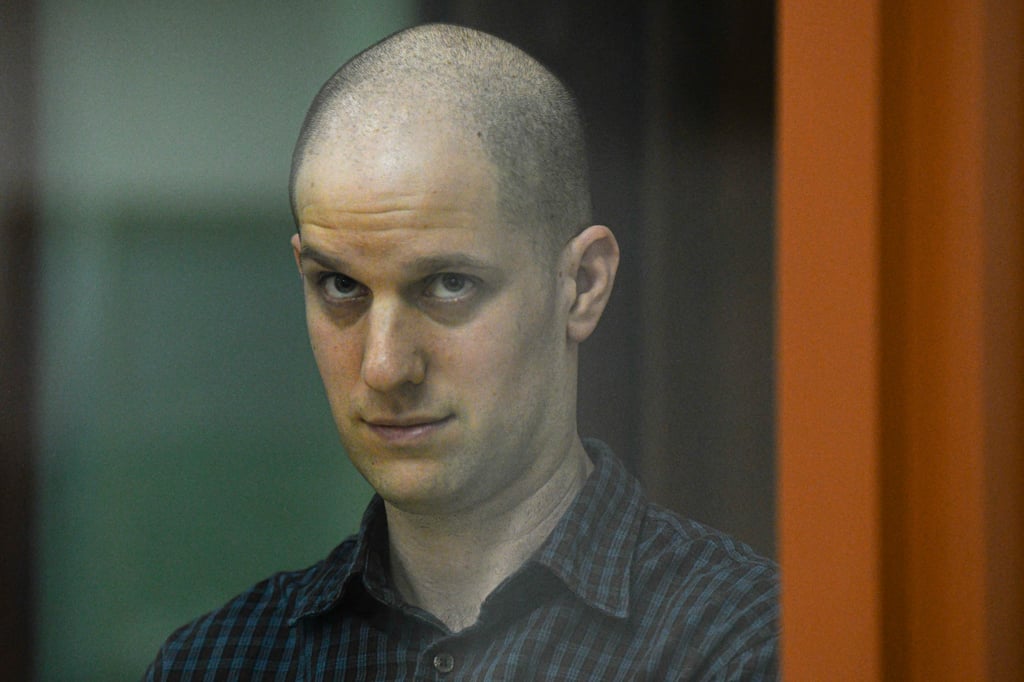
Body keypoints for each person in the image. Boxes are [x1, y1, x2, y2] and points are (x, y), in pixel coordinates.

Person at [145, 23, 778, 680]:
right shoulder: (219, 665)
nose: (384, 367)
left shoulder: (748, 649)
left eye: (449, 285)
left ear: (583, 285)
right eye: (341, 286)